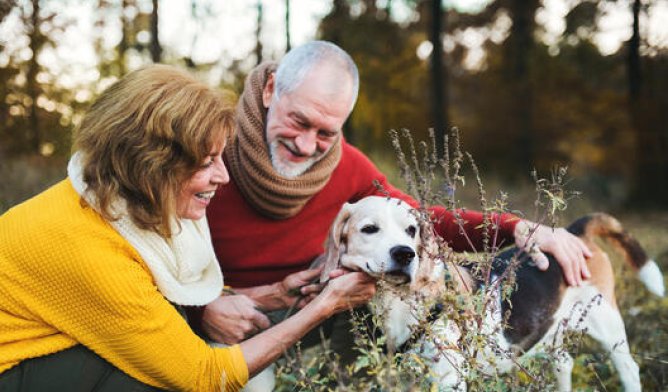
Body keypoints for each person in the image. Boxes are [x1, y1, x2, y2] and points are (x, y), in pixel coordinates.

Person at [0, 64, 376, 391]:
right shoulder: (89, 248)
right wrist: (327, 305)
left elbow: (159, 295)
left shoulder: (119, 198)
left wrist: (274, 294)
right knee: (151, 377)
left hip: (43, 349)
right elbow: (203, 376)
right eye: (207, 161)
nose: (223, 176)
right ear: (151, 164)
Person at [194, 40, 593, 347]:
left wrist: (516, 227)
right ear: (269, 91)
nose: (306, 145)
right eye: (299, 121)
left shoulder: (346, 166)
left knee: (387, 288)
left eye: (326, 133)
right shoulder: (207, 151)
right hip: (228, 315)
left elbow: (416, 220)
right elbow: (140, 257)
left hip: (316, 310)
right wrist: (201, 309)